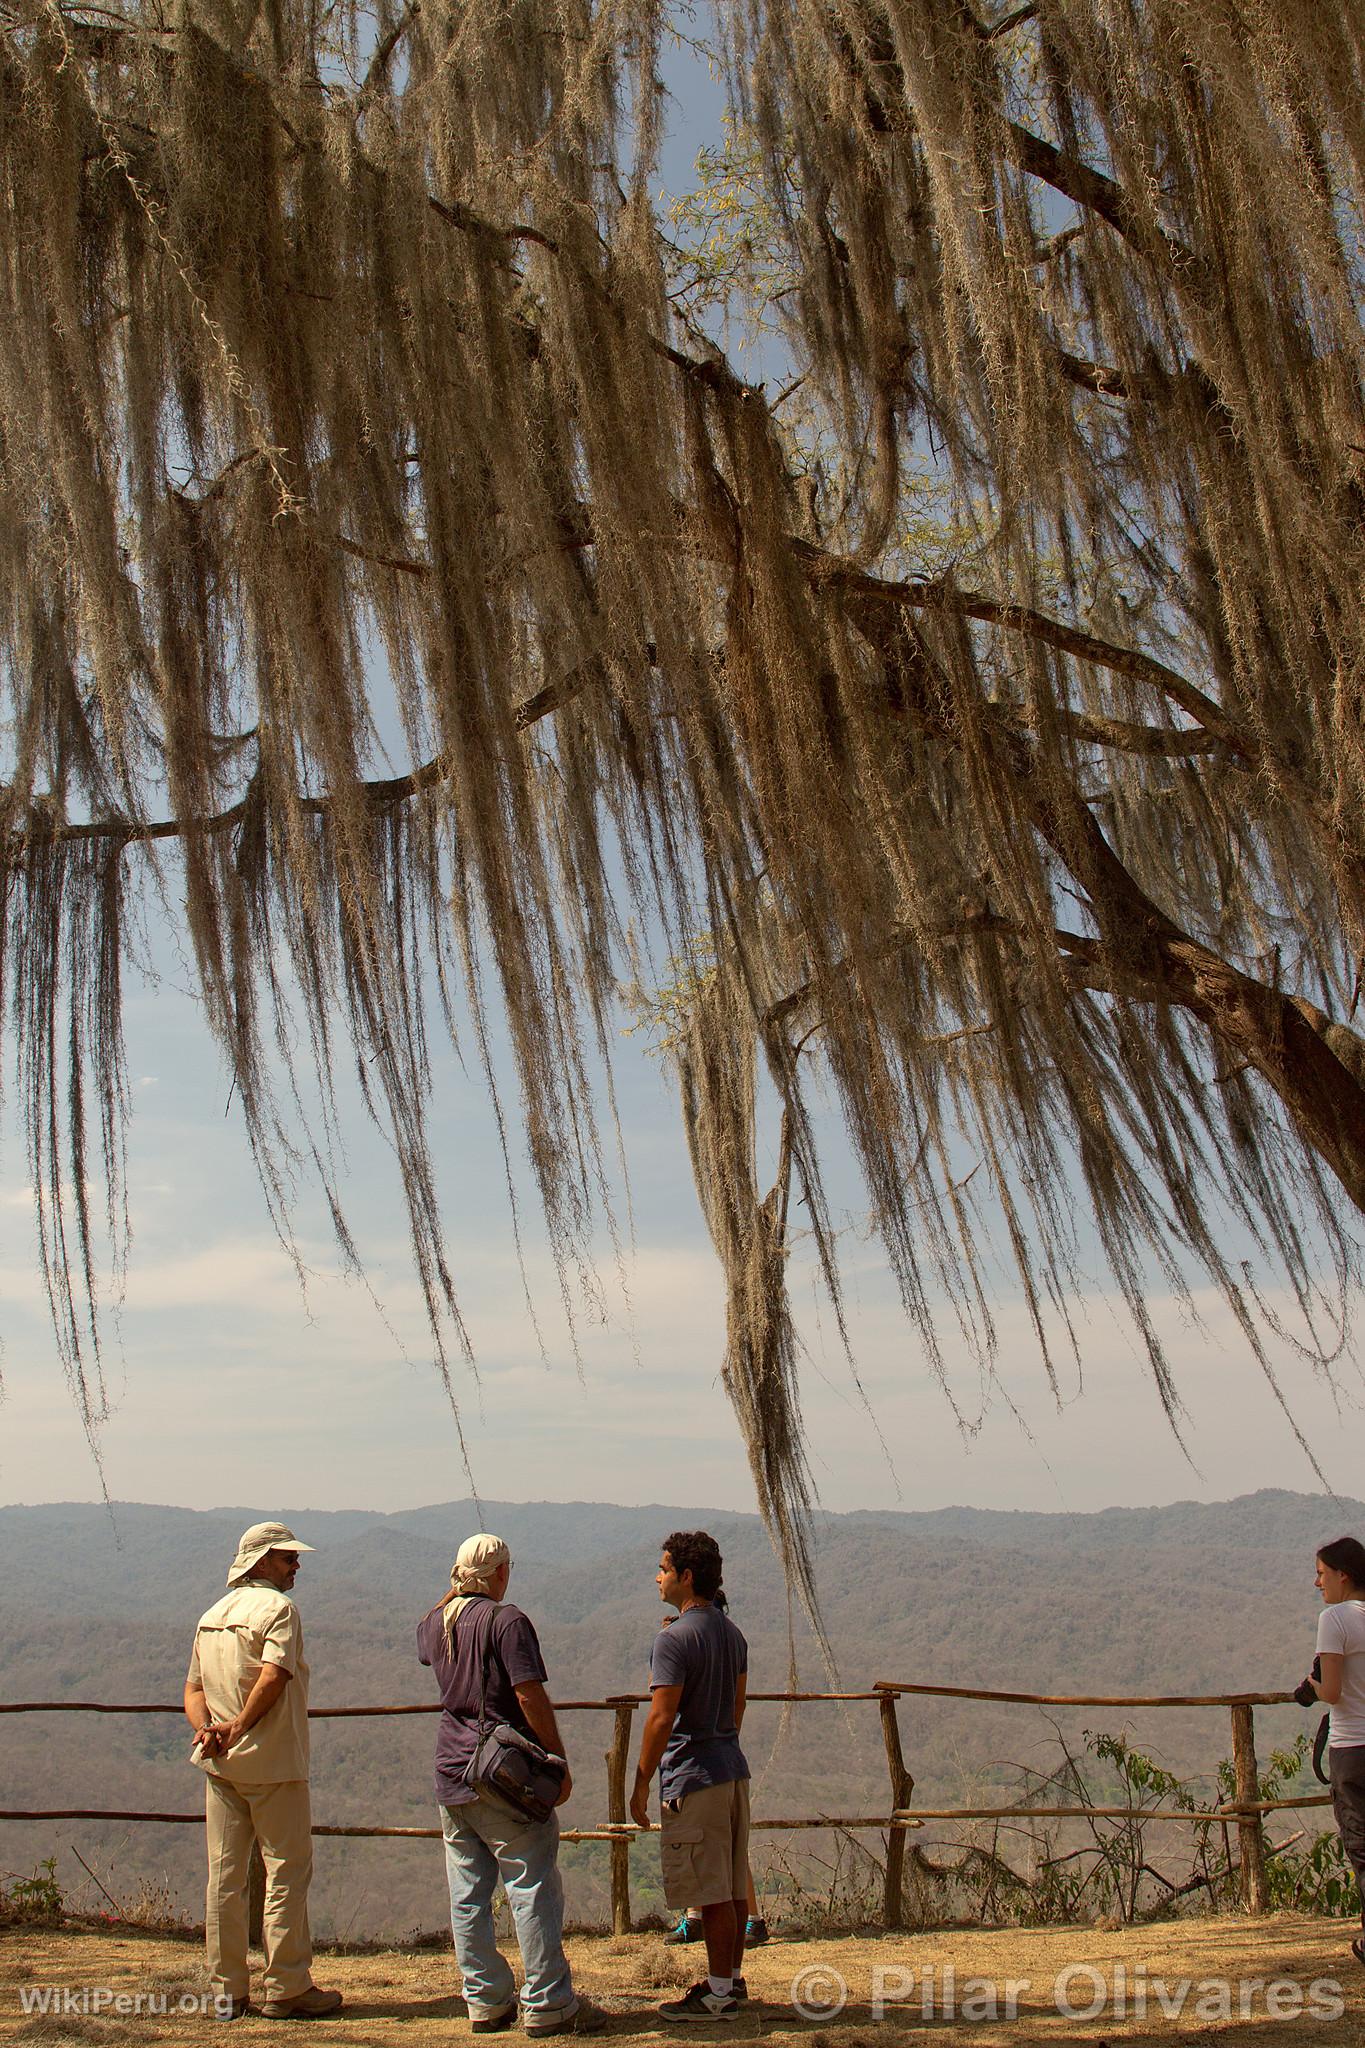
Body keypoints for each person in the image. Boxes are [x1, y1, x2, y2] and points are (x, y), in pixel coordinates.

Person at [417, 1533, 604, 2037]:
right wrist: (556, 1760)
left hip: (450, 1772)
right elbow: (528, 1694)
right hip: (504, 1776)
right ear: (500, 1572)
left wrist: (453, 1593)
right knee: (531, 1885)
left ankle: (485, 2002)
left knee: (467, 1892)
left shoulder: (437, 1621)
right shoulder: (507, 1620)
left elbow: (431, 1648)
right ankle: (547, 2003)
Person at [184, 1520, 342, 2021]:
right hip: (274, 1762)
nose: (297, 1567)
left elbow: (191, 1691)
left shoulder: (212, 1615)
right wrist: (238, 1727)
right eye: (288, 1558)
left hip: (221, 1767)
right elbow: (275, 1675)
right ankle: (286, 1986)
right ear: (262, 1561)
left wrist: (210, 1730)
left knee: (225, 1878)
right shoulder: (280, 1610)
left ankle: (227, 1989)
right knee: (287, 1872)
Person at [631, 1531, 750, 2023]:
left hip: (695, 1776)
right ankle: (730, 1981)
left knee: (711, 1890)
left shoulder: (674, 1639)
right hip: (731, 1770)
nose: (657, 1577)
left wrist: (639, 1784)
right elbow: (738, 1706)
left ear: (686, 1576)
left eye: (663, 1568)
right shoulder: (732, 1633)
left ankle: (719, 1995)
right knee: (733, 1887)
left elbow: (661, 1718)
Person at [663, 1595, 767, 1951]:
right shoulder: (730, 1639)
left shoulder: (689, 1640)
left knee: (718, 1856)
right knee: (716, 1855)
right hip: (723, 1760)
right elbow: (738, 1704)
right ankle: (698, 1920)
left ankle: (742, 1930)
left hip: (701, 1765)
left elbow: (665, 1710)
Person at [1301, 1536, 1365, 1966]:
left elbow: (1333, 1691)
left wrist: (1310, 1686)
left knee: (1361, 1846)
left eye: (1322, 1574)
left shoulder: (1335, 1619)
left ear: (1343, 1575)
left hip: (1351, 1747)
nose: (1317, 1582)